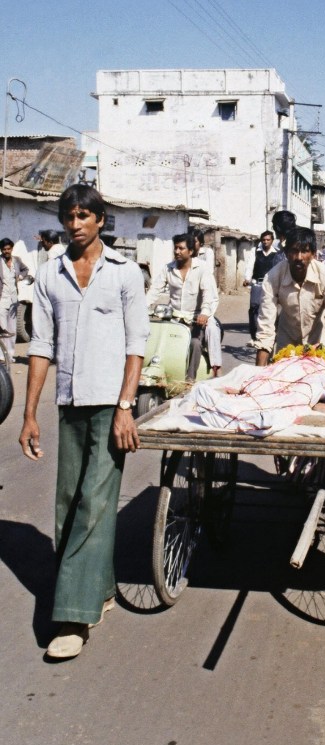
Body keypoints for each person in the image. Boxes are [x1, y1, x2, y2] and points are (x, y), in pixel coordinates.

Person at [19, 184, 150, 660]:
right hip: (68, 402)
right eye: (68, 216)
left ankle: (72, 617)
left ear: (100, 220)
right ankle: (102, 588)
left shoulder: (124, 273)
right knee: (70, 505)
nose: (74, 224)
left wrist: (125, 406)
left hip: (110, 403)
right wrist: (31, 413)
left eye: (83, 216)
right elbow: (40, 346)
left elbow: (137, 344)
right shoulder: (50, 273)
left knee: (95, 502)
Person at [254, 226, 325, 366]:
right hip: (287, 342)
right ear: (286, 252)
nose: (299, 257)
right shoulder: (272, 277)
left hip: (319, 342)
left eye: (305, 251)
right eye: (294, 251)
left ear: (314, 254)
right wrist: (257, 375)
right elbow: (266, 329)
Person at [146, 232, 222, 378]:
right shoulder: (168, 268)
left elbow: (208, 293)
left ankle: (195, 377)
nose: (177, 252)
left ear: (191, 251)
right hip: (174, 316)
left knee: (196, 342)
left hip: (196, 317)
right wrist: (142, 306)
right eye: (175, 248)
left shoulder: (202, 268)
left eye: (181, 248)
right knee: (156, 338)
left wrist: (204, 313)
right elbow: (154, 290)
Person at [243, 230, 277, 345]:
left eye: (268, 240)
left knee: (270, 310)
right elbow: (250, 265)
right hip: (257, 283)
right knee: (254, 308)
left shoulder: (276, 253)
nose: (265, 242)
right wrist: (247, 279)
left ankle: (270, 335)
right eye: (263, 240)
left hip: (271, 285)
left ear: (272, 241)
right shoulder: (255, 252)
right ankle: (254, 337)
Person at [0, 238, 30, 362]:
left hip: (13, 299)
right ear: (1, 250)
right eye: (4, 249)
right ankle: (1, 355)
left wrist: (21, 277)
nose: (6, 251)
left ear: (11, 249)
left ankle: (10, 354)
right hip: (1, 298)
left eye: (8, 249)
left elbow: (25, 270)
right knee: (2, 328)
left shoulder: (16, 260)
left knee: (12, 329)